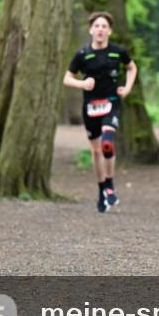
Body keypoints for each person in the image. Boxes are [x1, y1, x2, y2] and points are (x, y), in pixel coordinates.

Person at [64, 11, 137, 213]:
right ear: (91, 30)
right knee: (96, 151)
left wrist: (127, 87)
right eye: (97, 26)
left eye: (104, 26)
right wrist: (82, 83)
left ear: (109, 31)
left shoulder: (117, 52)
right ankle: (102, 189)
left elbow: (131, 67)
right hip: (90, 107)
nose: (100, 29)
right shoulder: (82, 54)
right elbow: (67, 78)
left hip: (111, 102)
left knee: (107, 142)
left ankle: (110, 184)